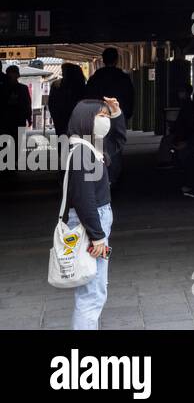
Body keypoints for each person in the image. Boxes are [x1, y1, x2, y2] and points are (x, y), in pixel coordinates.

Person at [62, 96, 126, 330]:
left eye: (106, 116)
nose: (106, 121)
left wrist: (116, 112)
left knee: (95, 289)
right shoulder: (82, 153)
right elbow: (83, 199)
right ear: (86, 119)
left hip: (96, 222)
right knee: (92, 293)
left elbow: (118, 141)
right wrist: (97, 236)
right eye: (102, 116)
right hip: (90, 225)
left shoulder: (92, 147)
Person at [85, 47, 135, 124]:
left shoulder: (95, 77)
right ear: (117, 60)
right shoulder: (124, 77)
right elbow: (129, 96)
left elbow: (89, 96)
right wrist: (127, 113)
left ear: (103, 60)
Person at [48, 64, 86, 138]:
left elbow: (51, 103)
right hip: (76, 119)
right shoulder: (81, 86)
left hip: (61, 118)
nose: (62, 73)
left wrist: (55, 116)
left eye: (64, 71)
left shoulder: (56, 85)